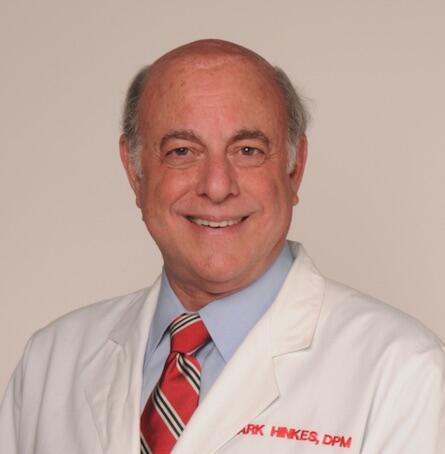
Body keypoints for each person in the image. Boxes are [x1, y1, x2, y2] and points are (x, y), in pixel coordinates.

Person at [0, 39, 444, 453]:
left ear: (294, 169)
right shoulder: (52, 361)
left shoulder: (403, 371)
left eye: (247, 150)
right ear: (135, 172)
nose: (216, 186)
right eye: (182, 151)